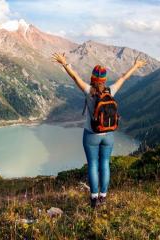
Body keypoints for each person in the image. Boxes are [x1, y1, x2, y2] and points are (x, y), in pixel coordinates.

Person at [52, 52, 146, 208]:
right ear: (104, 80)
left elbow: (75, 77)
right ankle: (103, 196)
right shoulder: (110, 91)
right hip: (108, 134)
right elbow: (123, 78)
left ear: (92, 78)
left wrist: (64, 63)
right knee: (105, 164)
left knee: (93, 165)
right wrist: (135, 66)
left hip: (91, 135)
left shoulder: (89, 91)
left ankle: (94, 198)